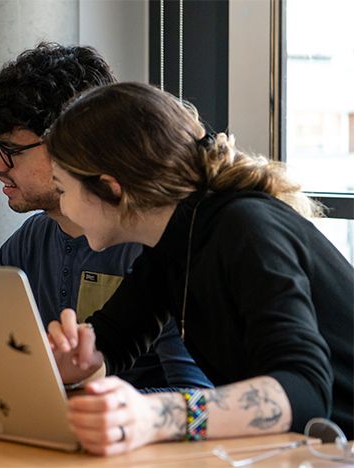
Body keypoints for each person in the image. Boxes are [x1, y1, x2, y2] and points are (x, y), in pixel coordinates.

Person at [45, 82, 354, 455]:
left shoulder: (246, 228)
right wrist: (83, 360)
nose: (62, 207)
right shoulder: (174, 242)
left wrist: (156, 416)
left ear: (111, 189)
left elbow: (304, 392)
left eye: (62, 189)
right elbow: (112, 340)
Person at [0, 43, 211, 390]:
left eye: (11, 150)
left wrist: (103, 406)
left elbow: (198, 395)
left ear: (76, 144)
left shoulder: (163, 246)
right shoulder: (25, 246)